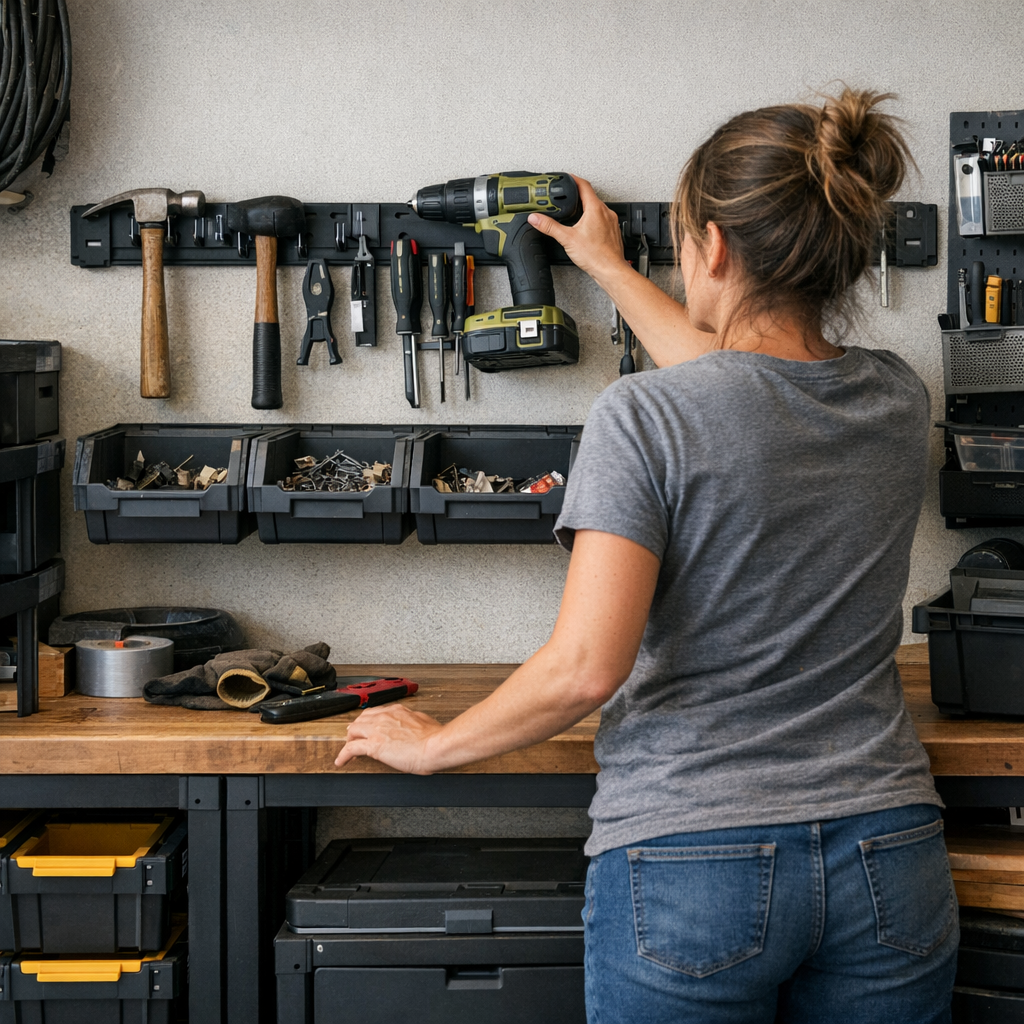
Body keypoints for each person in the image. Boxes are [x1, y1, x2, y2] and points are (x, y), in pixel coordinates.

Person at [335, 88, 958, 1023]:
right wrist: (606, 266)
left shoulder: (644, 418)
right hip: (890, 852)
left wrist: (437, 749)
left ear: (709, 246)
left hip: (693, 858)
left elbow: (587, 669)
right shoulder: (896, 399)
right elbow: (739, 383)